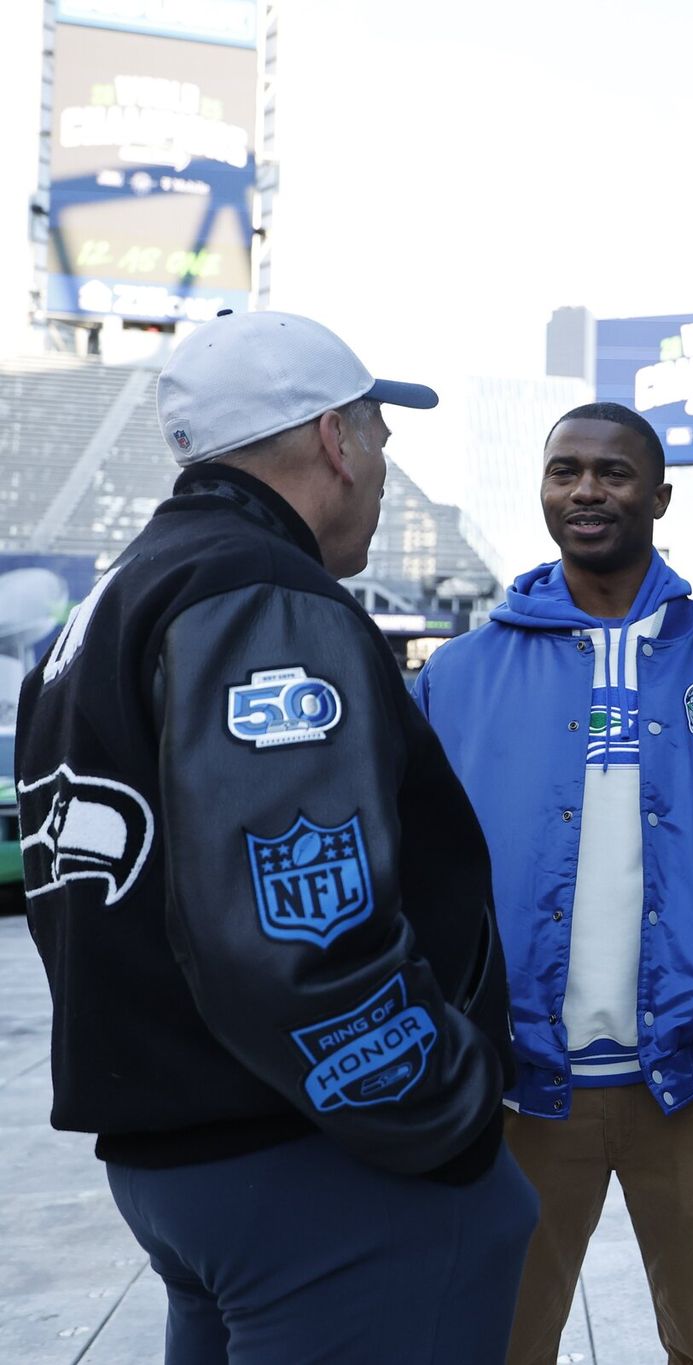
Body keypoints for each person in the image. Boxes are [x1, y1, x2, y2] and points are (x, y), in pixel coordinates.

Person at [13, 311, 535, 1362]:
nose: (385, 469)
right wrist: (447, 1115)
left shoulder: (110, 600)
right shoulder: (258, 592)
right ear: (336, 440)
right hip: (315, 1168)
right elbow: (297, 926)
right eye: (381, 437)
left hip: (180, 1158)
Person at [414, 401, 693, 1365]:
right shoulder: (456, 676)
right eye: (564, 469)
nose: (585, 490)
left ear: (659, 494)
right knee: (491, 1342)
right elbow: (409, 862)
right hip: (520, 1083)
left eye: (611, 472)